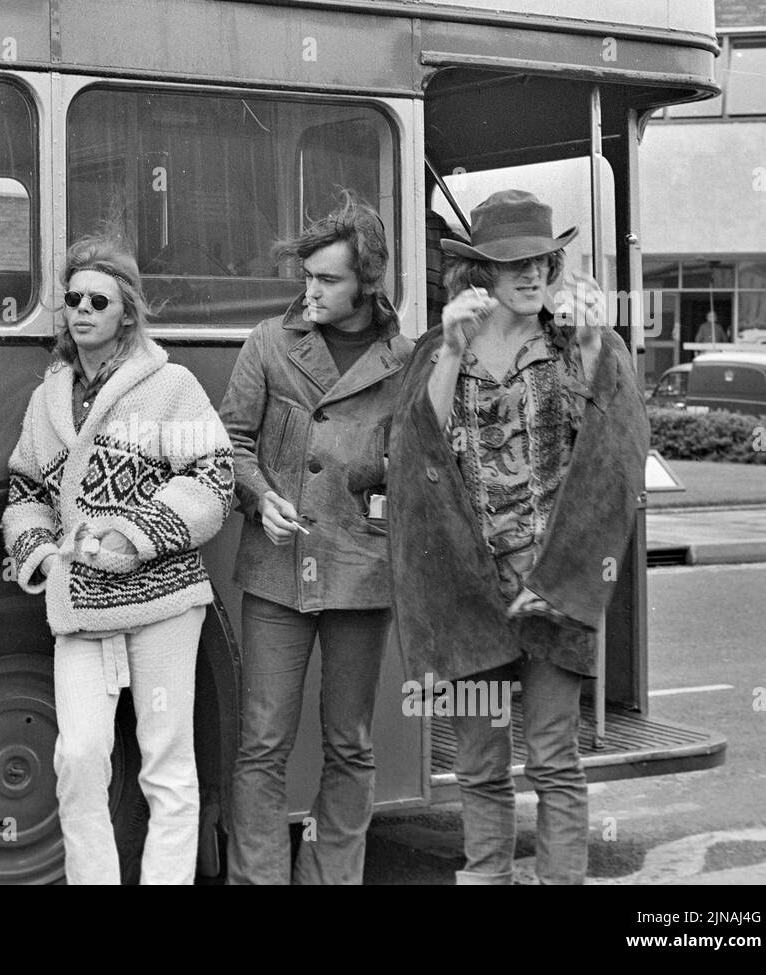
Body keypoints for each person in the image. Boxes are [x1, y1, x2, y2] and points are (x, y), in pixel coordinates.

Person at [388, 189, 649, 884]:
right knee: (478, 767)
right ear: (484, 272)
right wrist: (447, 350)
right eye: (513, 263)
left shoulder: (575, 342)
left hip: (551, 588)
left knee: (554, 760)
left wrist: (596, 338)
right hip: (469, 593)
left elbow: (618, 434)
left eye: (541, 260)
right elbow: (418, 446)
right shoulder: (445, 347)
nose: (532, 274)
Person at [3, 235, 234, 884]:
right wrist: (41, 553)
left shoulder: (171, 386)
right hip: (78, 603)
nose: (80, 310)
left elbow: (213, 477)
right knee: (78, 759)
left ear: (126, 312)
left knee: (167, 764)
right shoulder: (48, 397)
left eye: (96, 300)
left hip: (163, 600)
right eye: (71, 298)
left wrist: (135, 535)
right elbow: (25, 491)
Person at [218, 191, 413, 884]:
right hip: (278, 563)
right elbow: (231, 441)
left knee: (350, 742)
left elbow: (421, 462)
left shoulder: (406, 359)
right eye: (307, 277)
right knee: (263, 741)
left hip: (360, 566)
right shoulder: (270, 342)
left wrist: (382, 472)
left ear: (368, 280)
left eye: (328, 280)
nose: (311, 292)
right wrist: (258, 494)